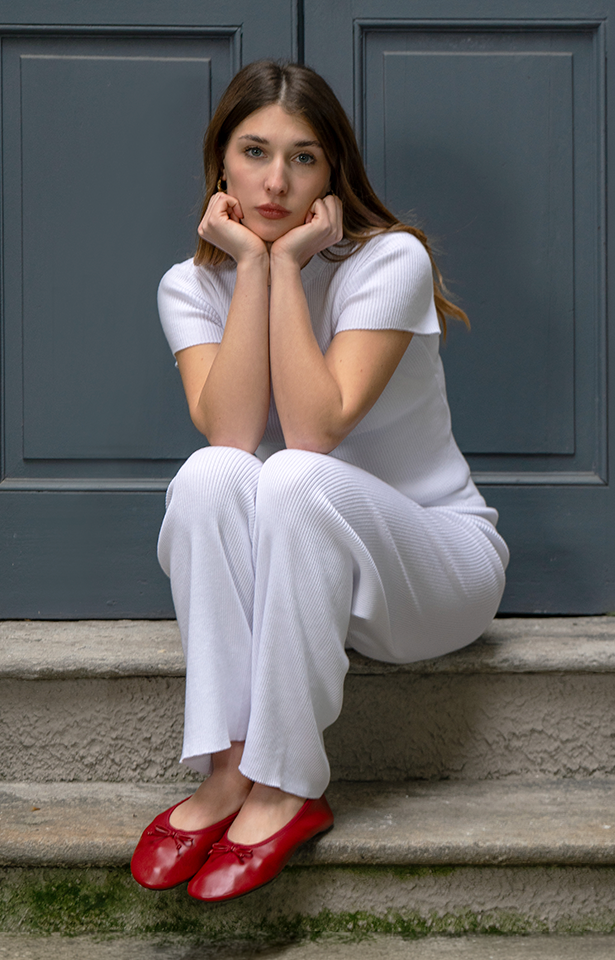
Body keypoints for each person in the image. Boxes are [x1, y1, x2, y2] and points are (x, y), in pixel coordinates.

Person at [131, 60, 509, 902]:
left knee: (297, 472)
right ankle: (229, 768)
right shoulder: (190, 285)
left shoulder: (390, 260)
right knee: (212, 473)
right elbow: (231, 434)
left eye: (302, 158)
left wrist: (290, 264)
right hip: (304, 576)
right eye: (254, 152)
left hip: (436, 567)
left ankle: (287, 785)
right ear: (220, 165)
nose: (276, 182)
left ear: (333, 171)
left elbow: (315, 427)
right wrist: (253, 268)